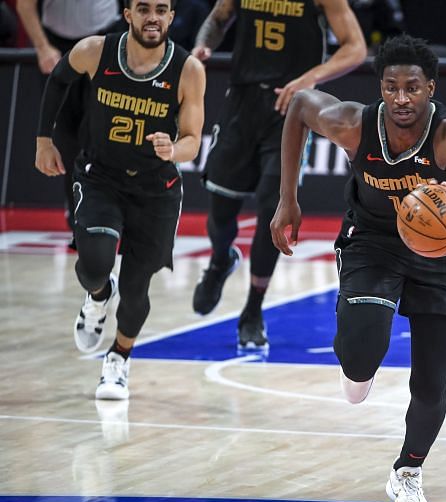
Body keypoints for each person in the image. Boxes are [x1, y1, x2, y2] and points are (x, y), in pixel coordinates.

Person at [270, 35, 446, 502]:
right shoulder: (355, 124)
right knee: (359, 353)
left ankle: (408, 473)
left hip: (443, 252)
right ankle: (357, 366)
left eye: (413, 87)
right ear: (381, 89)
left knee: (431, 380)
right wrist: (288, 197)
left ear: (430, 88)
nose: (402, 98)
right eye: (391, 87)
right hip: (374, 241)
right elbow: (301, 106)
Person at [35, 0, 206, 400]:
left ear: (171, 17)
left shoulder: (187, 70)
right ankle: (97, 296)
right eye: (143, 8)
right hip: (101, 178)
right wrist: (45, 139)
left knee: (136, 288)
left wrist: (172, 150)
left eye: (161, 9)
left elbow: (193, 141)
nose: (153, 17)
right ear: (127, 14)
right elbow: (58, 80)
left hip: (156, 190)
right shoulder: (95, 51)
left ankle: (118, 359)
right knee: (95, 265)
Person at [190, 0, 367, 349]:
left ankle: (253, 308)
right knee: (221, 209)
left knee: (274, 207)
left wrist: (312, 77)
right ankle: (220, 259)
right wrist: (202, 45)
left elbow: (356, 47)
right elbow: (219, 18)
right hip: (242, 101)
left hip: (291, 112)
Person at [17, 0, 126, 245]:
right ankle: (80, 219)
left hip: (104, 36)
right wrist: (42, 47)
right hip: (57, 43)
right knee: (67, 140)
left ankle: (109, 216)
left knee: (103, 134)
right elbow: (25, 5)